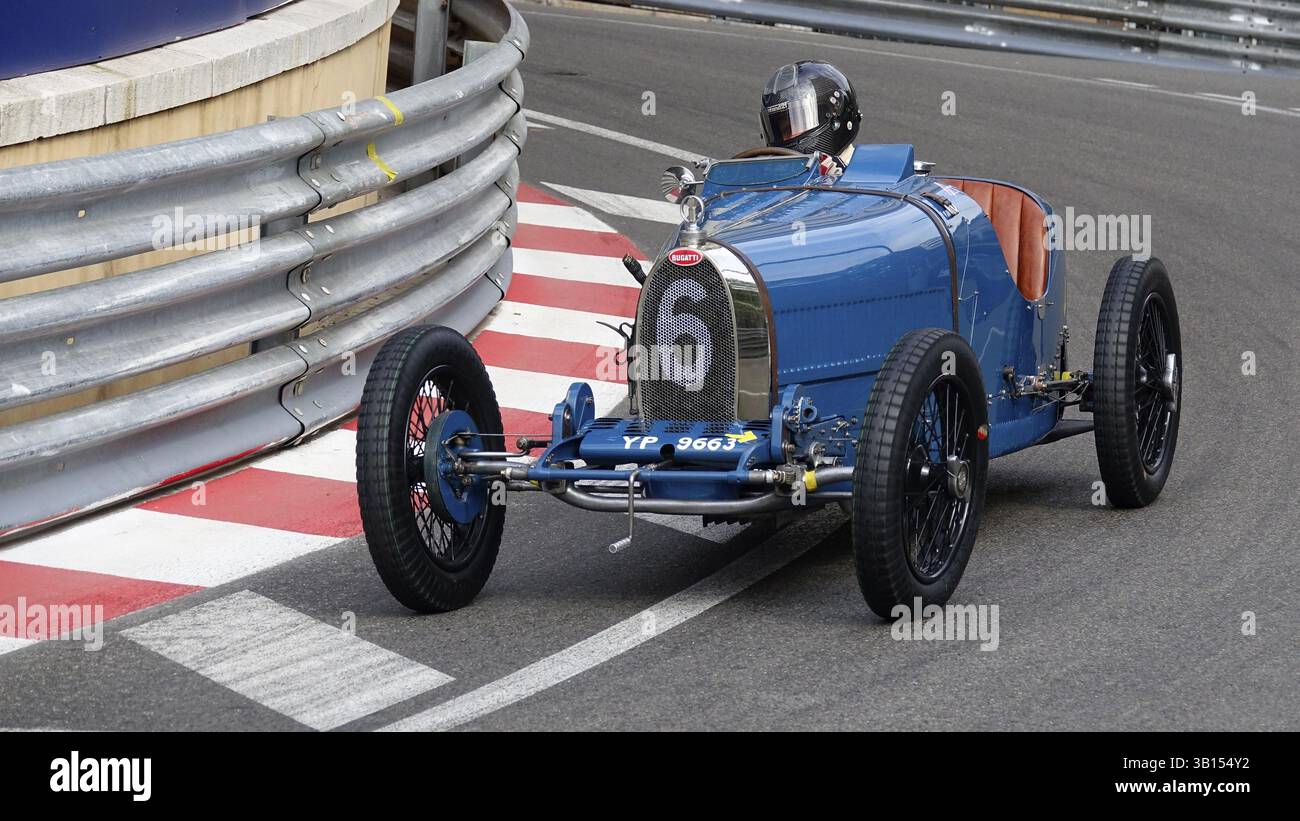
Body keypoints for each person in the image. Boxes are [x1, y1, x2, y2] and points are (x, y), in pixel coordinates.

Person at [759, 60, 862, 168]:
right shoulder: (777, 179)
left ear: (835, 118)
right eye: (785, 130)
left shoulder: (866, 176)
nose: (788, 137)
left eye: (799, 122)